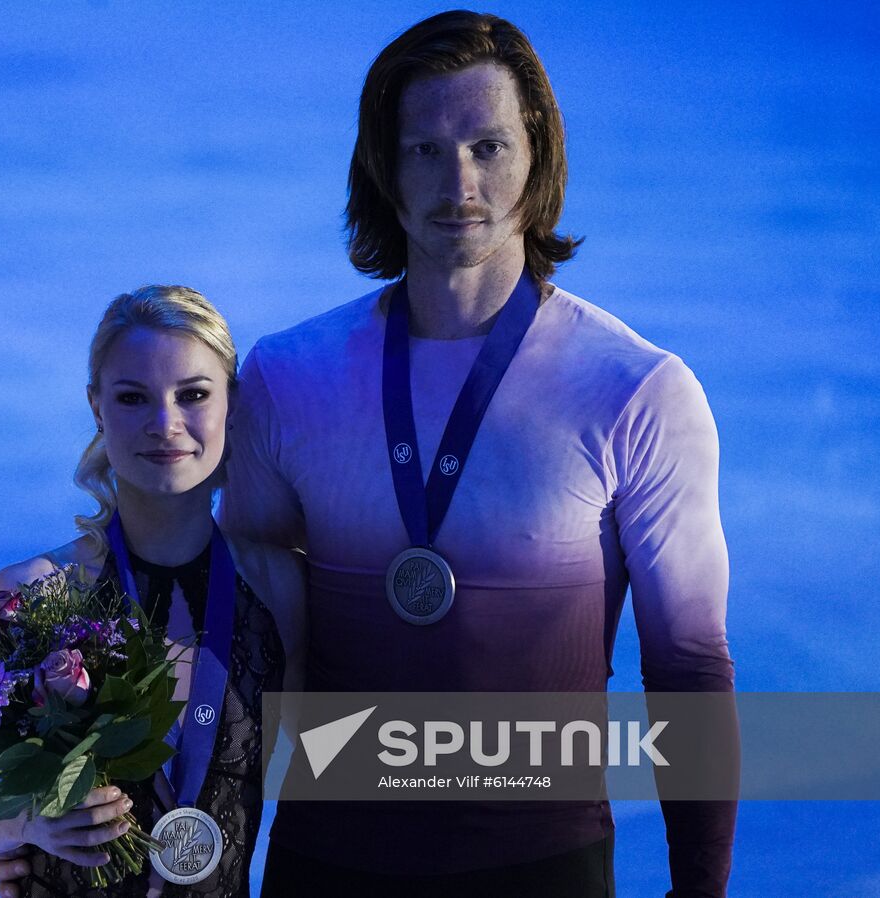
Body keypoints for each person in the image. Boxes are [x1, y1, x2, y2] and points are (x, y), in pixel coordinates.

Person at [214, 10, 736, 898]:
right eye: (425, 150)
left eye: (488, 146)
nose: (459, 182)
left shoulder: (638, 391)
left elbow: (686, 666)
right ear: (383, 166)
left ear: (538, 157)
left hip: (543, 870)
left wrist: (700, 892)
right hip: (325, 865)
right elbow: (234, 646)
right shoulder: (283, 379)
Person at [0, 285, 305, 897]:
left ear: (231, 403)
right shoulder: (31, 594)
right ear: (97, 407)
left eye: (194, 395)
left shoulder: (276, 584)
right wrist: (28, 823)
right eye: (133, 398)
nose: (165, 423)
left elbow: (326, 759)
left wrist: (507, 762)